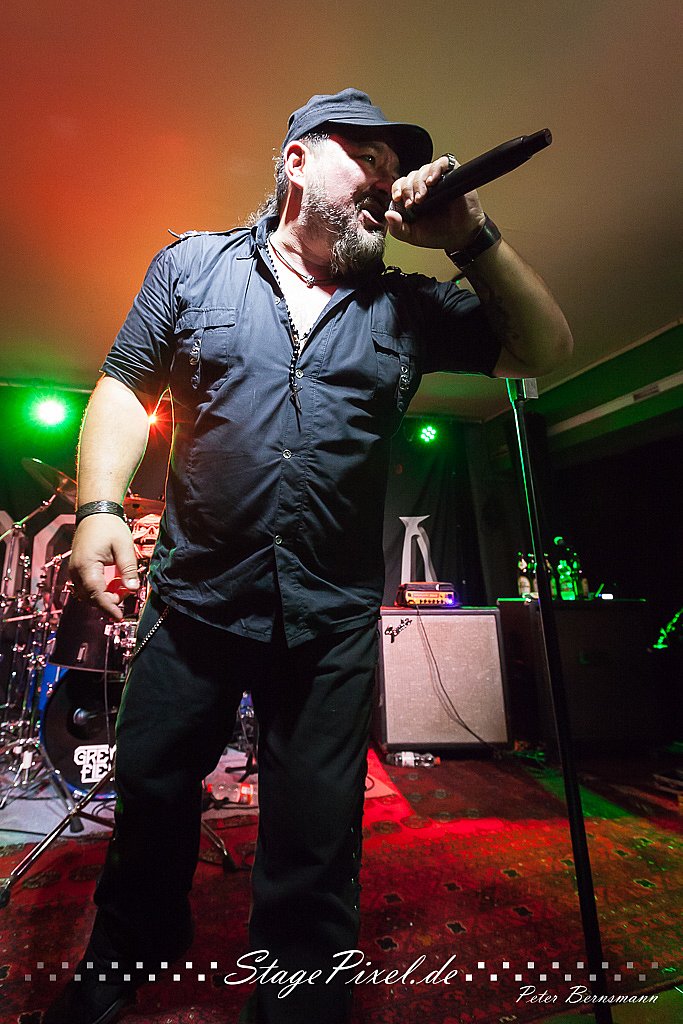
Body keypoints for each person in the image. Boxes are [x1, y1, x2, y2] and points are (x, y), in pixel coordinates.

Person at [43, 88, 572, 1024]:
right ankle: (131, 944)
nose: (384, 176)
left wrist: (471, 237)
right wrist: (96, 508)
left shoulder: (408, 305)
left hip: (329, 620)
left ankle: (299, 996)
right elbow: (124, 384)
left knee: (318, 829)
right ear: (295, 160)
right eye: (365, 155)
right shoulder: (192, 267)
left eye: (392, 164)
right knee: (152, 791)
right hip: (194, 601)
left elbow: (544, 347)